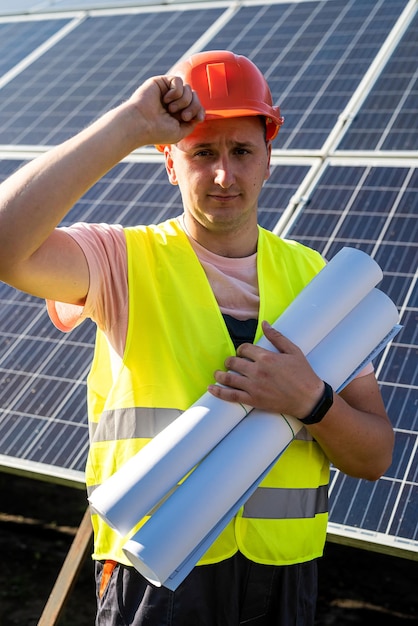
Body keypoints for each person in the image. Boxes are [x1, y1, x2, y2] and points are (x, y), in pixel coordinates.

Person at [0, 50, 394, 625]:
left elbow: (375, 455)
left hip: (282, 580)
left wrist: (311, 402)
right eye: (202, 152)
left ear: (268, 161)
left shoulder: (321, 283)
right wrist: (129, 125)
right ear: (170, 164)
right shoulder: (121, 261)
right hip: (152, 570)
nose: (223, 174)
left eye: (241, 152)